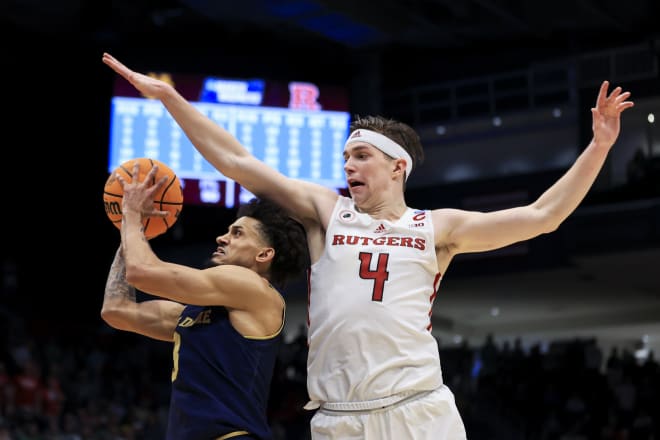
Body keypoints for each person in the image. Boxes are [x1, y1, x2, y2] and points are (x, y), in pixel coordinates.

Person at [102, 52, 634, 439]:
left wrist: (600, 145)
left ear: (396, 165)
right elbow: (239, 162)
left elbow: (542, 217)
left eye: (360, 156)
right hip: (339, 418)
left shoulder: (437, 227)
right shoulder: (326, 212)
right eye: (346, 157)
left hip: (420, 410)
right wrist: (173, 99)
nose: (348, 165)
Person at [101, 161, 309, 440]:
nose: (222, 238)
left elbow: (142, 272)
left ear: (264, 255)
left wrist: (132, 215)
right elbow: (116, 310)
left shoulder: (255, 289)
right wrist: (131, 228)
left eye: (237, 233)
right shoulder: (193, 315)